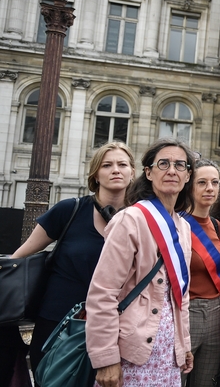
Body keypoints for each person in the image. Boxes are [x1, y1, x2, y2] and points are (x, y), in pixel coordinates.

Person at [11, 142, 136, 377]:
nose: (115, 170)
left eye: (122, 164)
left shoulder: (140, 219)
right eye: (107, 165)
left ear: (132, 173)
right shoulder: (70, 210)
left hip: (115, 327)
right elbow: (21, 255)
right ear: (96, 175)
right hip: (58, 322)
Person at [86, 138, 196, 387]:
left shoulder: (184, 227)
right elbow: (103, 292)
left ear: (188, 175)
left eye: (180, 165)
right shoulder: (130, 219)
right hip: (131, 350)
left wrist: (183, 344)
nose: (172, 170)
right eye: (163, 163)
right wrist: (106, 358)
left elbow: (180, 294)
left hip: (167, 353)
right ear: (148, 172)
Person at [181, 159, 220, 387]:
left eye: (215, 182)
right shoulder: (177, 223)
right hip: (187, 312)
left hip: (217, 314)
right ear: (190, 186)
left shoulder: (218, 226)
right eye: (202, 182)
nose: (209, 188)